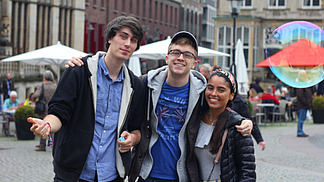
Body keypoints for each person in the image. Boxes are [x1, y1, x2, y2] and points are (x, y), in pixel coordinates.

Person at [67, 31, 253, 181]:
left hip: (183, 175)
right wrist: (84, 64)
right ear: (167, 57)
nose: (180, 58)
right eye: (176, 52)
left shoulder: (202, 92)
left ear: (195, 62)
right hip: (145, 173)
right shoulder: (144, 85)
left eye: (187, 55)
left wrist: (245, 121)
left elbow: (221, 106)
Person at [28, 16, 145, 181]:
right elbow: (59, 111)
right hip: (74, 173)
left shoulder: (135, 86)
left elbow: (137, 128)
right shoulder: (78, 71)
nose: (127, 44)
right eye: (123, 36)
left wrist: (132, 139)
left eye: (133, 40)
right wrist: (47, 124)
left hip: (112, 175)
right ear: (111, 38)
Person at [187, 70, 256, 181]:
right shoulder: (194, 119)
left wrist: (247, 122)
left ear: (231, 96)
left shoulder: (238, 127)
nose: (214, 94)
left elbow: (247, 172)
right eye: (210, 88)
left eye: (221, 90)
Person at [31, 70, 57, 151]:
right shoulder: (55, 85)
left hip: (44, 109)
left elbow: (35, 95)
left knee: (43, 125)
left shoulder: (42, 85)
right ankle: (54, 144)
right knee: (52, 126)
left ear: (44, 77)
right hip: (53, 108)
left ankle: (42, 145)